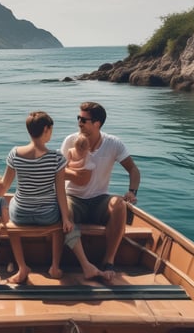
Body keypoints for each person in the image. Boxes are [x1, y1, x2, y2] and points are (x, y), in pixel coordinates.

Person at [61, 101, 141, 276]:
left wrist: (132, 192)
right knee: (63, 209)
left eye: (84, 119)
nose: (79, 123)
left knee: (119, 204)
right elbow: (59, 172)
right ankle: (80, 262)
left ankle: (109, 261)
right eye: (78, 118)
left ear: (97, 123)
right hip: (73, 198)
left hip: (99, 200)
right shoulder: (71, 141)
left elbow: (133, 170)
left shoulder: (114, 143)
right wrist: (76, 175)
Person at [0, 111, 73, 284]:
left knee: (11, 217)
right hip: (46, 215)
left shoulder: (15, 153)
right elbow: (60, 192)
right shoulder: (57, 158)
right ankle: (54, 267)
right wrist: (66, 219)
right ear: (46, 129)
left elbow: (4, 186)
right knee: (59, 225)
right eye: (51, 129)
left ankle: (22, 267)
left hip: (21, 214)